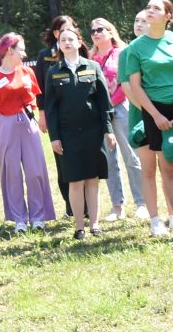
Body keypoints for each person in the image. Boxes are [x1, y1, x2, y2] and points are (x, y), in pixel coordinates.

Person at [121, 0, 173, 241]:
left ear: (168, 16)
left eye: (156, 8)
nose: (150, 11)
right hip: (155, 112)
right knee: (167, 168)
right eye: (148, 7)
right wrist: (155, 115)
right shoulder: (136, 48)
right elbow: (135, 86)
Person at [42, 25, 114, 238]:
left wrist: (108, 130)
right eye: (62, 40)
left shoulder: (92, 66)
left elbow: (104, 102)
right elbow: (51, 108)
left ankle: (94, 225)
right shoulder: (53, 72)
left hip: (93, 132)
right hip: (67, 134)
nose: (66, 42)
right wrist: (55, 137)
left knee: (93, 179)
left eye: (70, 39)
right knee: (75, 180)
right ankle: (79, 227)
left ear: (79, 42)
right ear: (59, 45)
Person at [0, 33, 57, 232]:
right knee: (12, 173)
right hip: (6, 124)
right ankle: (19, 220)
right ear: (10, 51)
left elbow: (35, 98)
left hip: (28, 123)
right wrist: (3, 127)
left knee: (35, 171)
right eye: (21, 50)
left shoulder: (28, 72)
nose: (24, 54)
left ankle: (38, 217)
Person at [88, 17, 147, 223]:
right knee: (109, 160)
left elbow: (126, 82)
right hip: (100, 115)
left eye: (100, 29)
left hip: (121, 108)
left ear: (110, 31)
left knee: (131, 156)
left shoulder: (122, 53)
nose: (95, 33)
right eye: (93, 30)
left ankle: (142, 203)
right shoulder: (90, 59)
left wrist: (111, 103)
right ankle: (117, 206)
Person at [34, 15, 79, 217]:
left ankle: (85, 205)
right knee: (63, 161)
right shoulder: (45, 56)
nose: (67, 36)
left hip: (80, 115)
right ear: (55, 34)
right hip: (55, 115)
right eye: (62, 31)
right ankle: (71, 205)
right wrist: (42, 113)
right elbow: (40, 89)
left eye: (72, 29)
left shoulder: (81, 52)